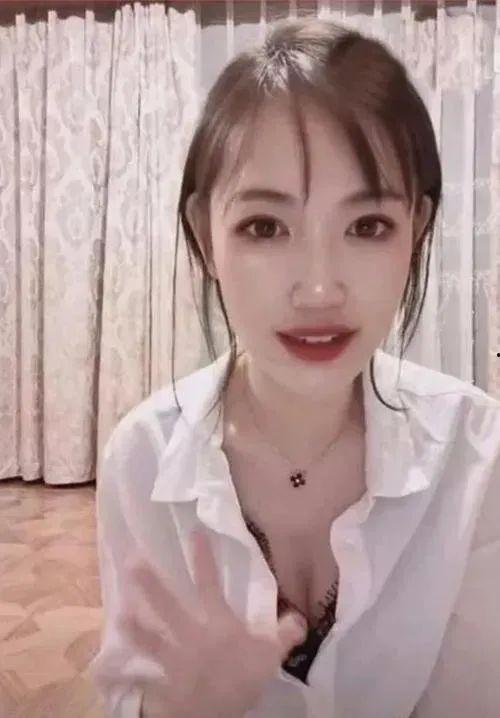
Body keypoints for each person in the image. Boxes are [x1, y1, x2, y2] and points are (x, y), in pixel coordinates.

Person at [89, 15, 500, 718]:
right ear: (206, 236)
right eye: (265, 227)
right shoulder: (144, 459)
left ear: (417, 230)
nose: (318, 290)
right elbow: (137, 689)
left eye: (367, 226)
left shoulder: (477, 454)